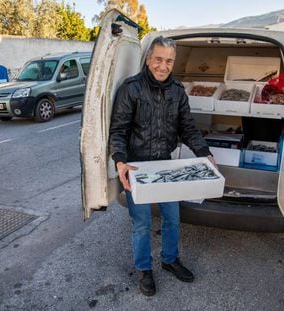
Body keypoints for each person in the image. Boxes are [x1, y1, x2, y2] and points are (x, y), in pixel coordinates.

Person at [109, 36, 216, 296]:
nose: (163, 65)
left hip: (165, 165)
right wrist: (120, 161)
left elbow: (188, 128)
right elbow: (119, 130)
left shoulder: (177, 91)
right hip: (137, 166)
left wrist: (205, 153)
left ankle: (169, 260)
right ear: (148, 59)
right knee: (142, 223)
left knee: (173, 218)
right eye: (158, 59)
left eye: (168, 60)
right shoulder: (131, 89)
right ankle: (144, 269)